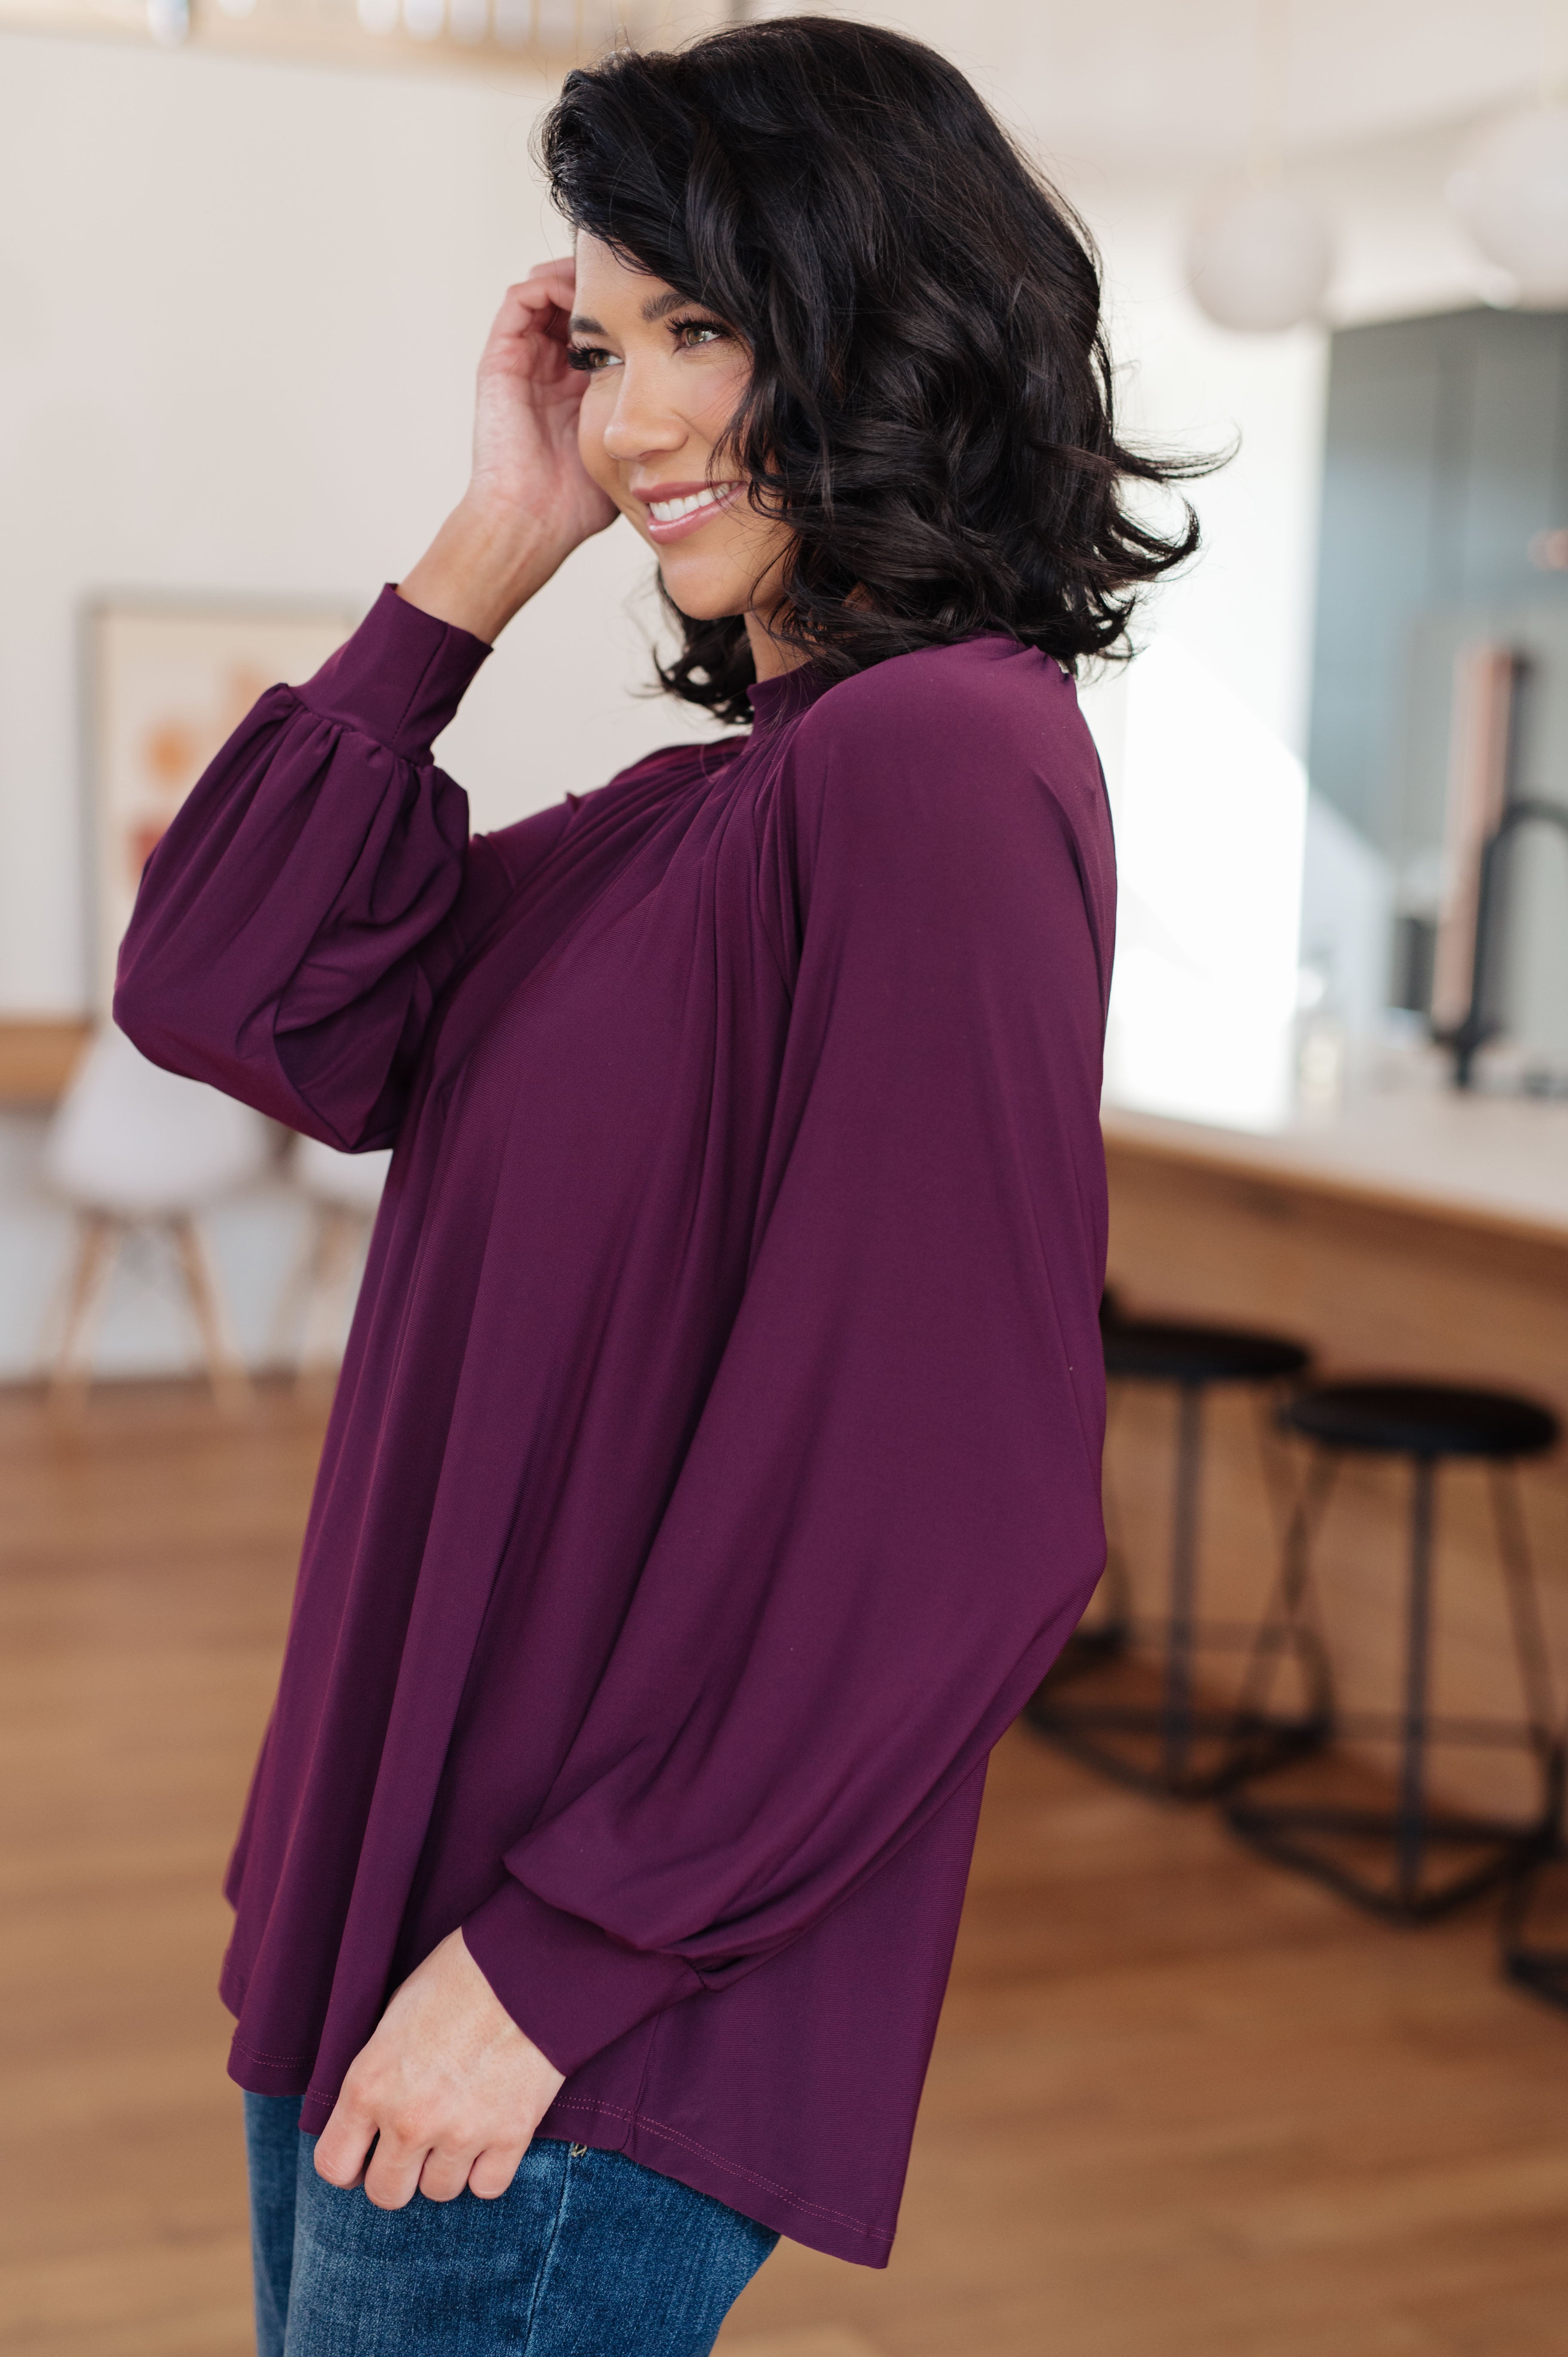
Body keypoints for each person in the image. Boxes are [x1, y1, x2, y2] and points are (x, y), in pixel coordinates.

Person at [115, 17, 1199, 2354]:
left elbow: (966, 1505)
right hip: (413, 1933)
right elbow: (225, 993)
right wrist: (494, 539)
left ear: (886, 311)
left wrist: (557, 1966)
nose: (633, 420)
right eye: (604, 349)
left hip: (557, 2015)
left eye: (703, 329)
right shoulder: (714, 813)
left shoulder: (934, 765)